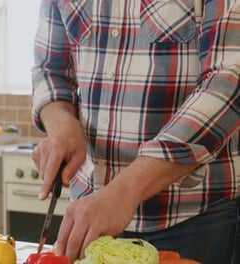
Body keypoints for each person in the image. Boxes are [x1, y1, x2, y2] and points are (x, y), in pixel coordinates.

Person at [30, 0, 239, 263]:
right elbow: (49, 69)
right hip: (90, 215)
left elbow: (228, 82)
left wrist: (125, 191)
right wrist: (61, 123)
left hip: (195, 221)